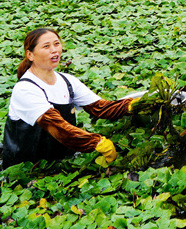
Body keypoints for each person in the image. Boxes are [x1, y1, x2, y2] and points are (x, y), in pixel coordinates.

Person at [3, 28, 137, 169]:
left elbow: (100, 108)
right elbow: (57, 127)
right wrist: (97, 142)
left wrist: (133, 105)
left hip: (61, 163)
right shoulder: (25, 89)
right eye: (46, 46)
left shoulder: (67, 81)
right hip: (27, 169)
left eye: (57, 44)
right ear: (30, 55)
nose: (54, 50)